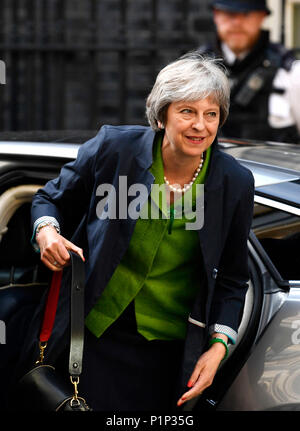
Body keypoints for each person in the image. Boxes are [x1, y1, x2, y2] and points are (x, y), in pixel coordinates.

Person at [29, 52, 254, 411]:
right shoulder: (113, 149)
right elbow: (48, 199)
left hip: (174, 351)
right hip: (93, 338)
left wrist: (217, 347)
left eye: (211, 114)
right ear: (162, 114)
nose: (200, 125)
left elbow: (232, 279)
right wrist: (47, 233)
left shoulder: (234, 182)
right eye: (187, 112)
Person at [198, 0, 300, 143]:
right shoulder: (196, 69)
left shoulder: (291, 72)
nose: (237, 22)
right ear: (216, 15)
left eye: (247, 15)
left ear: (262, 17)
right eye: (229, 14)